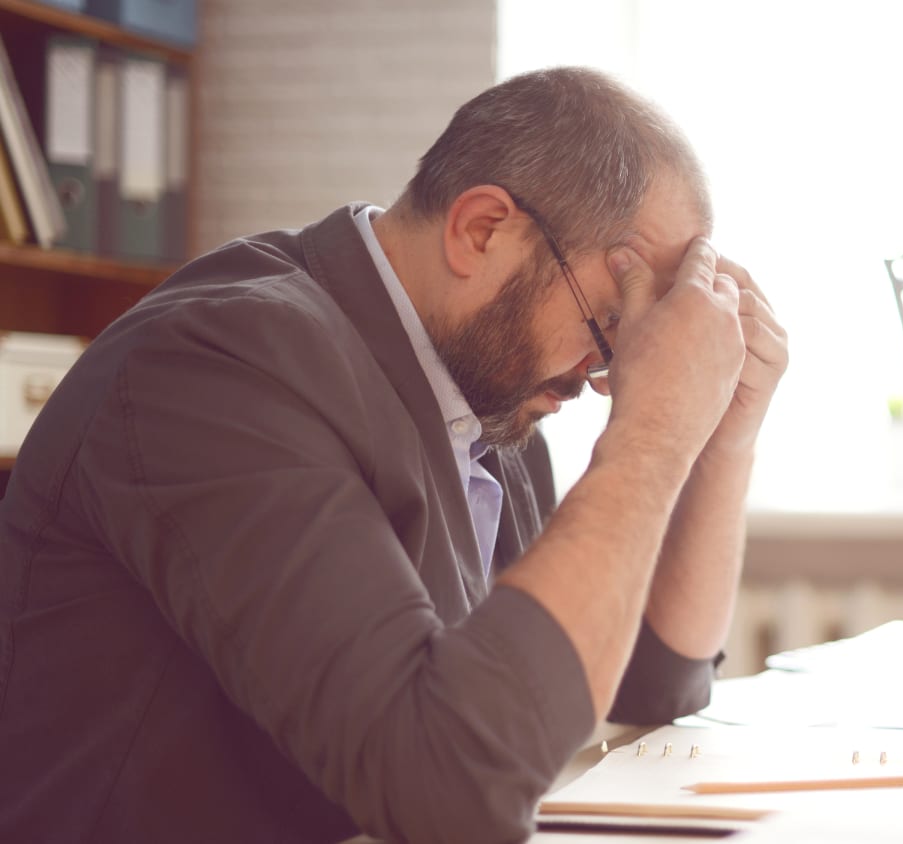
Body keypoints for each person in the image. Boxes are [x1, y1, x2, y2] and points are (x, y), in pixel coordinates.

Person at [0, 67, 787, 844]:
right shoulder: (220, 365)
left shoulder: (485, 397)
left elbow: (653, 684)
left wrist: (725, 431)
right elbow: (447, 792)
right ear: (481, 230)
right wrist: (652, 434)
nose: (611, 375)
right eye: (611, 323)